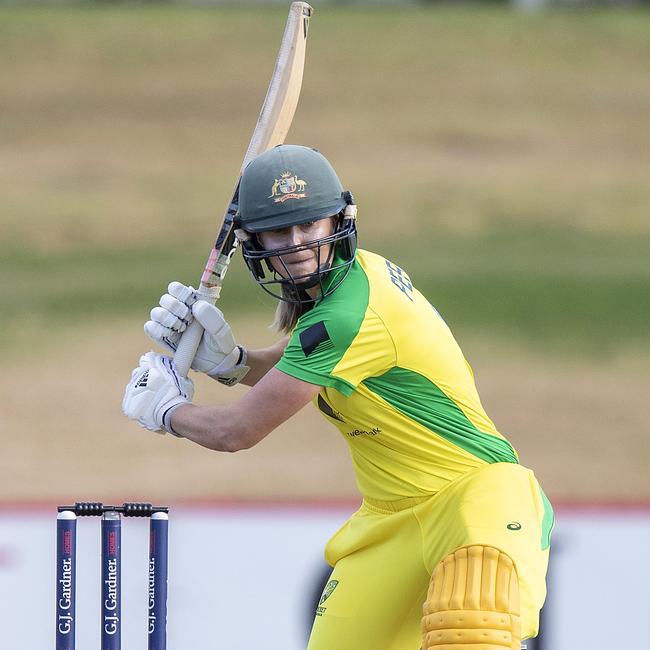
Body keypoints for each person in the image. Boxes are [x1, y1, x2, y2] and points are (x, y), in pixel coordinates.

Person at [123, 145, 553, 650]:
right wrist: (232, 363)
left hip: (474, 500)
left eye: (310, 226)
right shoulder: (346, 288)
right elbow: (305, 362)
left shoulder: (348, 314)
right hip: (391, 521)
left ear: (338, 222)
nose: (298, 243)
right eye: (281, 231)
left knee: (468, 635)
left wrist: (170, 412)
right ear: (255, 240)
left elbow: (236, 433)